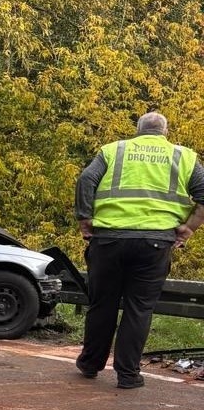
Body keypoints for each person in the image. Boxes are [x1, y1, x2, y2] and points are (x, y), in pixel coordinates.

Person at [74, 111, 204, 388]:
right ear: (165, 132)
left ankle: (89, 364)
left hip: (108, 238)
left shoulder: (113, 151)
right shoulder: (184, 157)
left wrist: (85, 220)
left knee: (102, 304)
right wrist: (189, 227)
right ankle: (127, 375)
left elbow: (86, 180)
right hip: (155, 243)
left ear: (138, 130)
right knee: (139, 308)